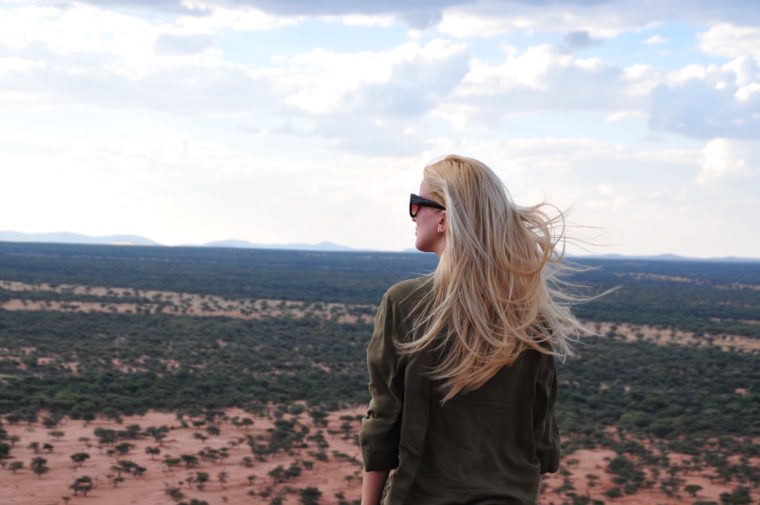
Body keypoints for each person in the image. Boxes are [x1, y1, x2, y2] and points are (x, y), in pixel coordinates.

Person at [359, 155, 587, 505]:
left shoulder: (404, 304)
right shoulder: (531, 316)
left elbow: (382, 425)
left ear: (445, 219)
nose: (414, 214)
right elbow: (540, 440)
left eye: (417, 204)